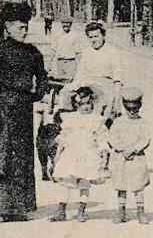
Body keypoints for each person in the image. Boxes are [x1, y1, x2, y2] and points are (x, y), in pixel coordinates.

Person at [0, 2, 48, 222]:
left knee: (21, 157)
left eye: (26, 27)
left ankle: (18, 208)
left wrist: (37, 94)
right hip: (1, 110)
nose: (24, 31)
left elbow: (42, 77)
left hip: (23, 110)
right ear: (8, 27)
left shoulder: (33, 53)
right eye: (20, 27)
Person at [47, 83, 112, 222]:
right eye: (82, 104)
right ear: (77, 105)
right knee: (65, 182)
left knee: (84, 183)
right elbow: (64, 138)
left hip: (88, 155)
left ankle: (81, 210)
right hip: (71, 154)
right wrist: (57, 155)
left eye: (89, 103)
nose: (86, 107)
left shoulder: (96, 120)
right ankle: (61, 211)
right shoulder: (71, 119)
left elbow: (101, 138)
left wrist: (104, 155)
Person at [105, 84, 151, 224]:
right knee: (121, 184)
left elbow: (145, 138)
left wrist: (134, 149)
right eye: (129, 109)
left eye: (135, 108)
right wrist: (122, 148)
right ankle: (121, 212)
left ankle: (140, 212)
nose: (132, 112)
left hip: (136, 158)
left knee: (138, 185)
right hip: (121, 157)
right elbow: (112, 138)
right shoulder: (118, 122)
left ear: (140, 106)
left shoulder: (143, 122)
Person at [70, 20, 126, 110]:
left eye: (96, 36)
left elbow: (118, 77)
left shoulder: (113, 52)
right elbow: (79, 73)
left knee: (101, 107)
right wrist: (73, 87)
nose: (94, 40)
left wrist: (117, 98)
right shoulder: (86, 52)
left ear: (103, 36)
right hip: (86, 87)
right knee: (66, 95)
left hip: (105, 87)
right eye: (90, 37)